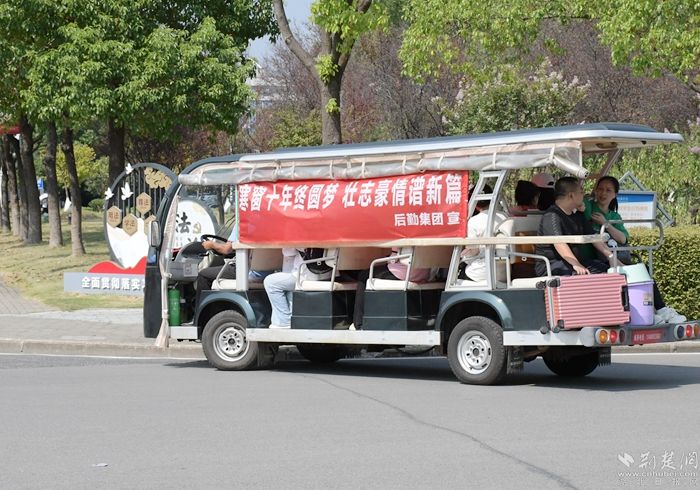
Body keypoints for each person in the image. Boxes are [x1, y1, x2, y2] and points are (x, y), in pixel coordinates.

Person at [584, 176, 686, 324]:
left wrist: (606, 224)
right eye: (600, 189)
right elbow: (580, 204)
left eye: (608, 190)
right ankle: (644, 314)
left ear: (615, 195)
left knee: (642, 270)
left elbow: (623, 239)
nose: (603, 193)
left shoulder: (614, 216)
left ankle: (658, 310)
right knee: (623, 275)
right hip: (598, 259)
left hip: (616, 258)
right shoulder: (589, 207)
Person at [535, 176, 615, 277]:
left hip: (574, 263)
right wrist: (576, 264)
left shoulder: (578, 215)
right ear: (571, 195)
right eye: (581, 192)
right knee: (581, 275)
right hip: (552, 265)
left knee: (607, 270)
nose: (583, 195)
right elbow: (559, 243)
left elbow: (594, 237)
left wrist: (612, 258)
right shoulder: (551, 215)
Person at [351, 250, 430, 330]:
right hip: (423, 274)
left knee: (363, 275)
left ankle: (358, 323)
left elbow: (393, 259)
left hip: (401, 274)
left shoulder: (398, 242)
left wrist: (388, 257)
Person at [264, 248, 332, 329]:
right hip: (329, 274)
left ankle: (284, 321)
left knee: (270, 282)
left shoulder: (303, 240)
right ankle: (285, 321)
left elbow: (287, 252)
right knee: (287, 286)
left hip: (307, 276)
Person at [460, 184, 506, 282]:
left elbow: (472, 252)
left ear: (475, 205)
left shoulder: (473, 221)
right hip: (504, 269)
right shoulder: (505, 217)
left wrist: (464, 255)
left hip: (481, 272)